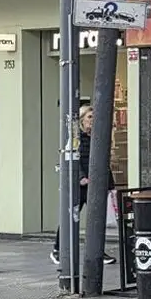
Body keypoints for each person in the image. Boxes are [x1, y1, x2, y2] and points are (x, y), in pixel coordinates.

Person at [51, 106, 116, 266]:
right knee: (69, 216)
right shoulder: (76, 137)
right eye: (89, 117)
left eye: (94, 117)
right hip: (79, 185)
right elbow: (72, 158)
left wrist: (110, 183)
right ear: (82, 120)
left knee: (96, 218)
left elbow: (103, 162)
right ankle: (57, 249)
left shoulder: (98, 137)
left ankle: (97, 251)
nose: (92, 120)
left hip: (95, 183)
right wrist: (80, 177)